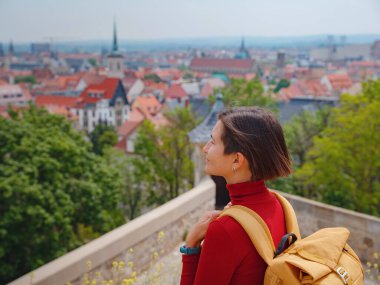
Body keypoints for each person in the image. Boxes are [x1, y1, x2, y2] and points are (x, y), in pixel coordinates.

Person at [180, 107, 292, 285]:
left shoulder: (226, 229)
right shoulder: (281, 205)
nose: (205, 149)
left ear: (237, 160)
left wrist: (191, 244)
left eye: (213, 142)